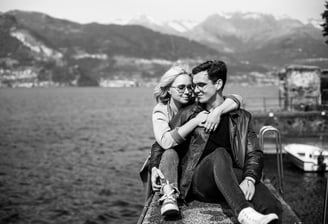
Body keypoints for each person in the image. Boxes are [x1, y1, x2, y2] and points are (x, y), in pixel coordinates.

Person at [150, 60, 283, 224]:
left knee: (271, 204)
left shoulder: (242, 117)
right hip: (199, 181)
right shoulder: (189, 112)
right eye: (194, 85)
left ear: (218, 83)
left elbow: (254, 153)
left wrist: (249, 179)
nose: (195, 91)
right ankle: (242, 211)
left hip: (229, 176)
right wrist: (155, 166)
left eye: (201, 85)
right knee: (220, 154)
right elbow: (162, 144)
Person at [148, 64, 243, 217]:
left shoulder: (194, 101)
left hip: (188, 162)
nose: (187, 92)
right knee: (170, 152)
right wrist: (153, 166)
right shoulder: (162, 110)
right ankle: (169, 197)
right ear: (168, 89)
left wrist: (217, 111)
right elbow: (162, 143)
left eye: (189, 87)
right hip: (169, 159)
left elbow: (237, 99)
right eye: (181, 88)